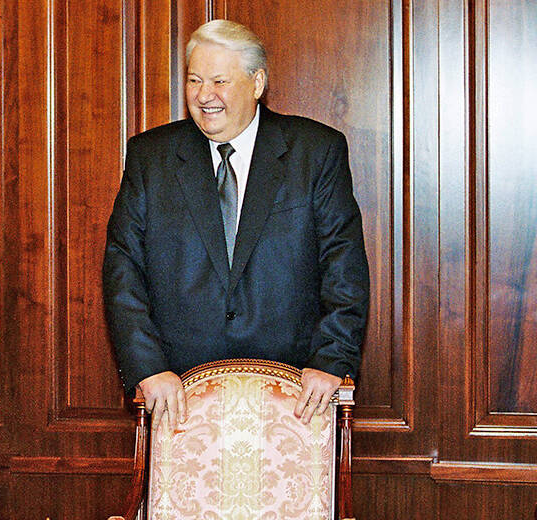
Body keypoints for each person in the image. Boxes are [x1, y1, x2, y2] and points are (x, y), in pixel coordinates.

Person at [102, 20, 370, 429]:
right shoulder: (150, 157)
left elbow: (343, 265)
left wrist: (332, 359)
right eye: (194, 80)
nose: (203, 95)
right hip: (177, 395)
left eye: (219, 81)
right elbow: (123, 269)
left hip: (295, 393)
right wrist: (148, 367)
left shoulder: (316, 152)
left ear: (257, 82)